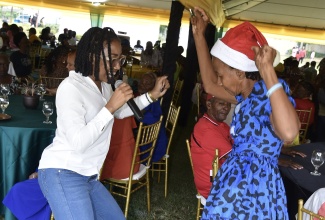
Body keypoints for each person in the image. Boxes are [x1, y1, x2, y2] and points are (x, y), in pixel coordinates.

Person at [37, 27, 169, 219]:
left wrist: (151, 96)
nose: (117, 66)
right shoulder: (70, 88)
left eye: (120, 59)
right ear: (91, 57)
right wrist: (109, 108)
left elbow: (122, 112)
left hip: (88, 176)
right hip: (63, 172)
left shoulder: (104, 86)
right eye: (112, 59)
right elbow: (78, 142)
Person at [191, 7, 300, 219]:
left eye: (221, 74)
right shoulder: (246, 96)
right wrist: (198, 35)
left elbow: (288, 133)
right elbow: (211, 86)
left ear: (240, 72)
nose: (220, 80)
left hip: (256, 190)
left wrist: (268, 72)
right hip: (234, 183)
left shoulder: (269, 92)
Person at [190, 94, 232, 199]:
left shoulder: (217, 123)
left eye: (228, 104)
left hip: (220, 175)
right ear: (209, 105)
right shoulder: (207, 129)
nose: (226, 107)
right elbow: (236, 157)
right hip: (213, 185)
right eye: (221, 103)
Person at [137, 72, 168, 162]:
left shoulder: (150, 102)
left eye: (147, 83)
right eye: (142, 82)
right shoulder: (153, 99)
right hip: (155, 140)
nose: (143, 84)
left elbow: (145, 118)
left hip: (152, 148)